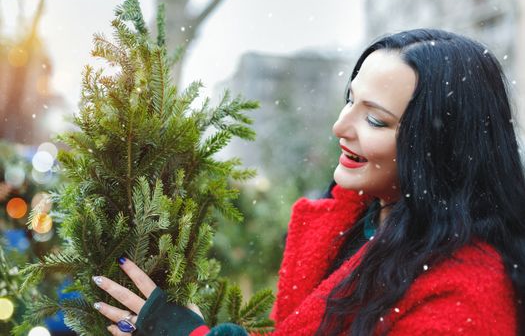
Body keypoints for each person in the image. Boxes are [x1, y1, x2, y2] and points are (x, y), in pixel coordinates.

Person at [91, 28, 524, 335]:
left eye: (375, 118)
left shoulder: (468, 292)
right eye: (350, 100)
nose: (340, 125)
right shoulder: (351, 222)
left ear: (442, 144)